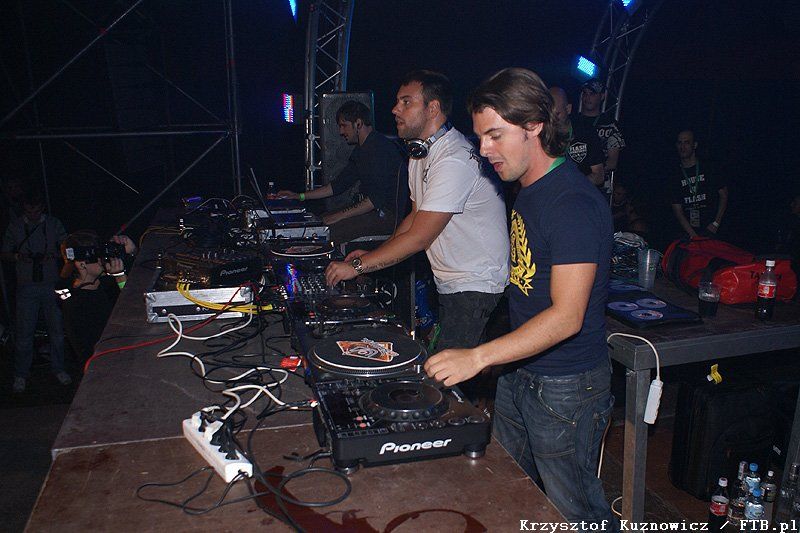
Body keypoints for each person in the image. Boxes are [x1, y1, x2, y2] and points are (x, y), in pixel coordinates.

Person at [425, 68, 617, 528]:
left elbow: (567, 317)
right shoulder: (528, 189)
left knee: (577, 513)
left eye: (495, 135)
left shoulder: (571, 203)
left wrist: (479, 357)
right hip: (522, 372)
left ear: (534, 126)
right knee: (511, 488)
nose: (483, 149)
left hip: (567, 386)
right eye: (479, 137)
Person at [326, 70, 509, 352]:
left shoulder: (453, 159)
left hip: (477, 283)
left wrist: (357, 267)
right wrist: (379, 251)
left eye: (406, 102)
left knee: (444, 371)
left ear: (432, 108)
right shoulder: (420, 153)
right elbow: (415, 217)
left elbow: (420, 237)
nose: (394, 109)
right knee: (451, 366)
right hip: (453, 280)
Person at [277, 100, 407, 244]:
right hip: (372, 211)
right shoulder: (361, 150)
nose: (341, 132)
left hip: (387, 217)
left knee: (325, 233)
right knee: (319, 222)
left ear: (358, 123)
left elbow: (375, 200)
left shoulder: (379, 149)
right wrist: (299, 196)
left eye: (343, 126)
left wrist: (339, 216)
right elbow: (337, 186)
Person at [1, 191, 69, 393]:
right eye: (29, 211)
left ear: (42, 208)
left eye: (36, 210)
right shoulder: (15, 226)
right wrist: (18, 257)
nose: (32, 214)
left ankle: (59, 369)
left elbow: (68, 248)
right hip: (26, 286)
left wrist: (54, 255)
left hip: (51, 284)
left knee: (57, 331)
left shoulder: (54, 224)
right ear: (23, 209)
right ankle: (20, 374)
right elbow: (4, 253)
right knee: (24, 333)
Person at [56, 231, 136, 367]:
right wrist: (120, 277)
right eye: (97, 255)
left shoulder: (101, 284)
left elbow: (136, 289)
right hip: (104, 368)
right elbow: (134, 306)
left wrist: (131, 251)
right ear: (81, 264)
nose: (102, 259)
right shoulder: (78, 304)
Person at [670, 129, 728, 239]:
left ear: (695, 145)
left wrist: (716, 223)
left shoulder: (709, 167)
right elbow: (677, 210)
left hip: (712, 229)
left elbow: (724, 195)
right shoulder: (674, 175)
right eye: (680, 143)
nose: (682, 147)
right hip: (690, 233)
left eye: (687, 142)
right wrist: (693, 235)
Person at [572, 78, 625, 196]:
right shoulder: (572, 121)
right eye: (585, 93)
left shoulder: (610, 125)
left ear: (602, 96)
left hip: (598, 188)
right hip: (570, 183)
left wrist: (589, 172)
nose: (588, 97)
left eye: (592, 94)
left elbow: (612, 162)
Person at [549, 86, 604, 186]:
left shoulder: (585, 131)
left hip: (579, 192)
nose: (552, 120)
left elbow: (598, 175)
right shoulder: (540, 134)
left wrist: (570, 186)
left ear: (568, 109)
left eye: (557, 114)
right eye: (549, 115)